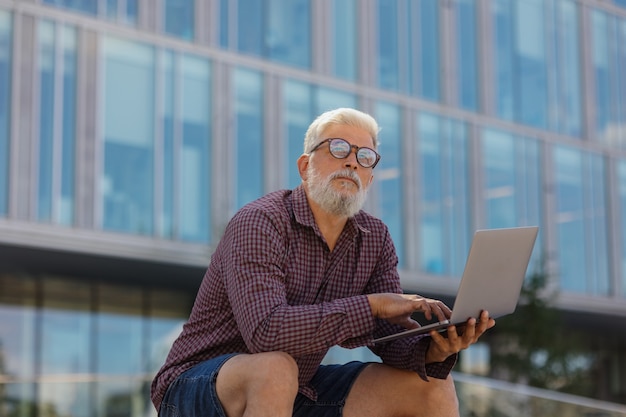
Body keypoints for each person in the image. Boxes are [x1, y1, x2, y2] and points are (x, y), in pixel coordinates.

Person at [151, 107, 495, 417]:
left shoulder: (374, 238)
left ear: (370, 178)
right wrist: (372, 306)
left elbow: (390, 339)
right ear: (305, 166)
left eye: (365, 157)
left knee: (432, 385)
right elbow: (266, 334)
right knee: (274, 368)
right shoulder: (260, 221)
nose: (352, 163)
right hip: (193, 389)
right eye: (339, 149)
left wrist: (435, 349)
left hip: (297, 388)